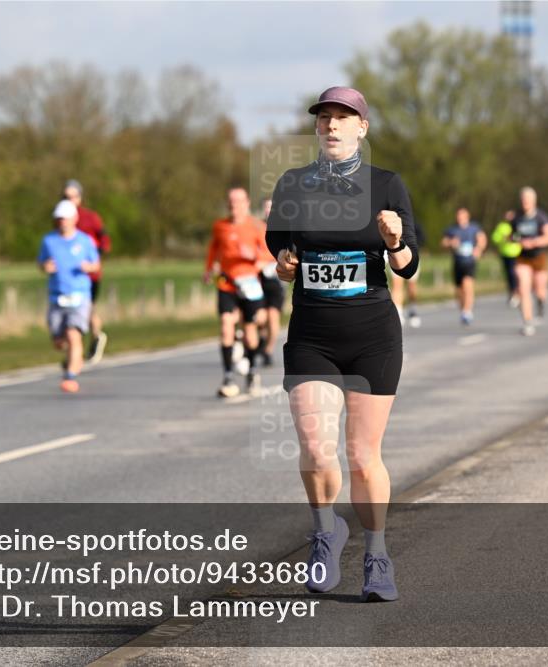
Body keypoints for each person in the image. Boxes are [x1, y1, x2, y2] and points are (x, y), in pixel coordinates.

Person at [266, 86, 419, 602]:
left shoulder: (386, 185)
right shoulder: (293, 185)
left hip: (373, 334)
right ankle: (325, 530)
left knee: (360, 455)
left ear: (362, 128)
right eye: (324, 118)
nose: (332, 125)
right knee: (314, 448)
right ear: (316, 128)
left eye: (343, 117)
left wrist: (395, 241)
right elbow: (282, 252)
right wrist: (285, 264)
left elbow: (408, 265)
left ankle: (376, 553)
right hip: (312, 334)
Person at [204, 188, 269, 398]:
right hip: (227, 283)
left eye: (239, 202)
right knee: (226, 326)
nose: (234, 206)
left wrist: (257, 259)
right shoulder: (219, 226)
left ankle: (251, 371)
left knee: (250, 335)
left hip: (249, 284)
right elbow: (213, 249)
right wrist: (209, 269)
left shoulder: (256, 226)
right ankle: (228, 376)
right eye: (231, 202)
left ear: (247, 203)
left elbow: (269, 253)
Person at [38, 199, 100, 393]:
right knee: (59, 341)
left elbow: (96, 264)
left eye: (65, 218)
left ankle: (71, 376)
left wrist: (88, 267)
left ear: (74, 219)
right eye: (59, 219)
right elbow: (41, 263)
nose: (62, 222)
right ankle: (74, 358)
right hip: (57, 295)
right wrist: (45, 267)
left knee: (74, 335)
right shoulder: (49, 241)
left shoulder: (84, 241)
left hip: (79, 294)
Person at [63, 180, 111, 363]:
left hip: (89, 274)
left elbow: (105, 239)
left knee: (86, 306)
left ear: (80, 197)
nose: (69, 200)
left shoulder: (90, 217)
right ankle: (75, 349)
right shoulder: (61, 220)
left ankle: (96, 336)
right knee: (69, 309)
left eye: (72, 196)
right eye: (65, 197)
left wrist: (94, 257)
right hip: (69, 276)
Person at [510, 187, 548, 336]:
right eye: (523, 199)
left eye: (528, 199)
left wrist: (535, 242)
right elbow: (511, 235)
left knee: (539, 288)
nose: (525, 202)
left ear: (534, 201)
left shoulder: (541, 217)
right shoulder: (516, 217)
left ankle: (541, 301)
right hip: (523, 257)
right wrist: (515, 240)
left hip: (539, 256)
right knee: (524, 287)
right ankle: (527, 322)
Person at [441, 207, 487, 325]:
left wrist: (478, 249)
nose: (460, 218)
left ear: (467, 217)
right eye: (458, 216)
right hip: (457, 262)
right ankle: (463, 310)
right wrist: (451, 243)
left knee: (468, 285)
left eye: (462, 216)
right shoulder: (452, 230)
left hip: (469, 261)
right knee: (459, 289)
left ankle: (467, 311)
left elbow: (482, 239)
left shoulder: (474, 228)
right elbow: (443, 242)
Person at [255, 199, 285, 367]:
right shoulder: (256, 227)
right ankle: (261, 338)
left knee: (273, 317)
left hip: (276, 279)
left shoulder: (284, 227)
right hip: (257, 278)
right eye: (266, 208)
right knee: (260, 316)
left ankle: (268, 350)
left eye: (272, 208)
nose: (269, 211)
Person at [390, 220, 426, 327]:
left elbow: (422, 238)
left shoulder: (414, 223)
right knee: (397, 284)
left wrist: (412, 244)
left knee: (411, 286)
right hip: (396, 256)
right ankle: (399, 312)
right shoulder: (393, 221)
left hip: (411, 257)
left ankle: (413, 309)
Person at [491, 210, 521, 307]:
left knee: (516, 274)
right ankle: (512, 293)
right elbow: (495, 238)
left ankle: (518, 293)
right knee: (509, 275)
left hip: (517, 254)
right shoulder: (502, 226)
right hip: (505, 254)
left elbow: (523, 237)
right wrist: (503, 238)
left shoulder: (518, 224)